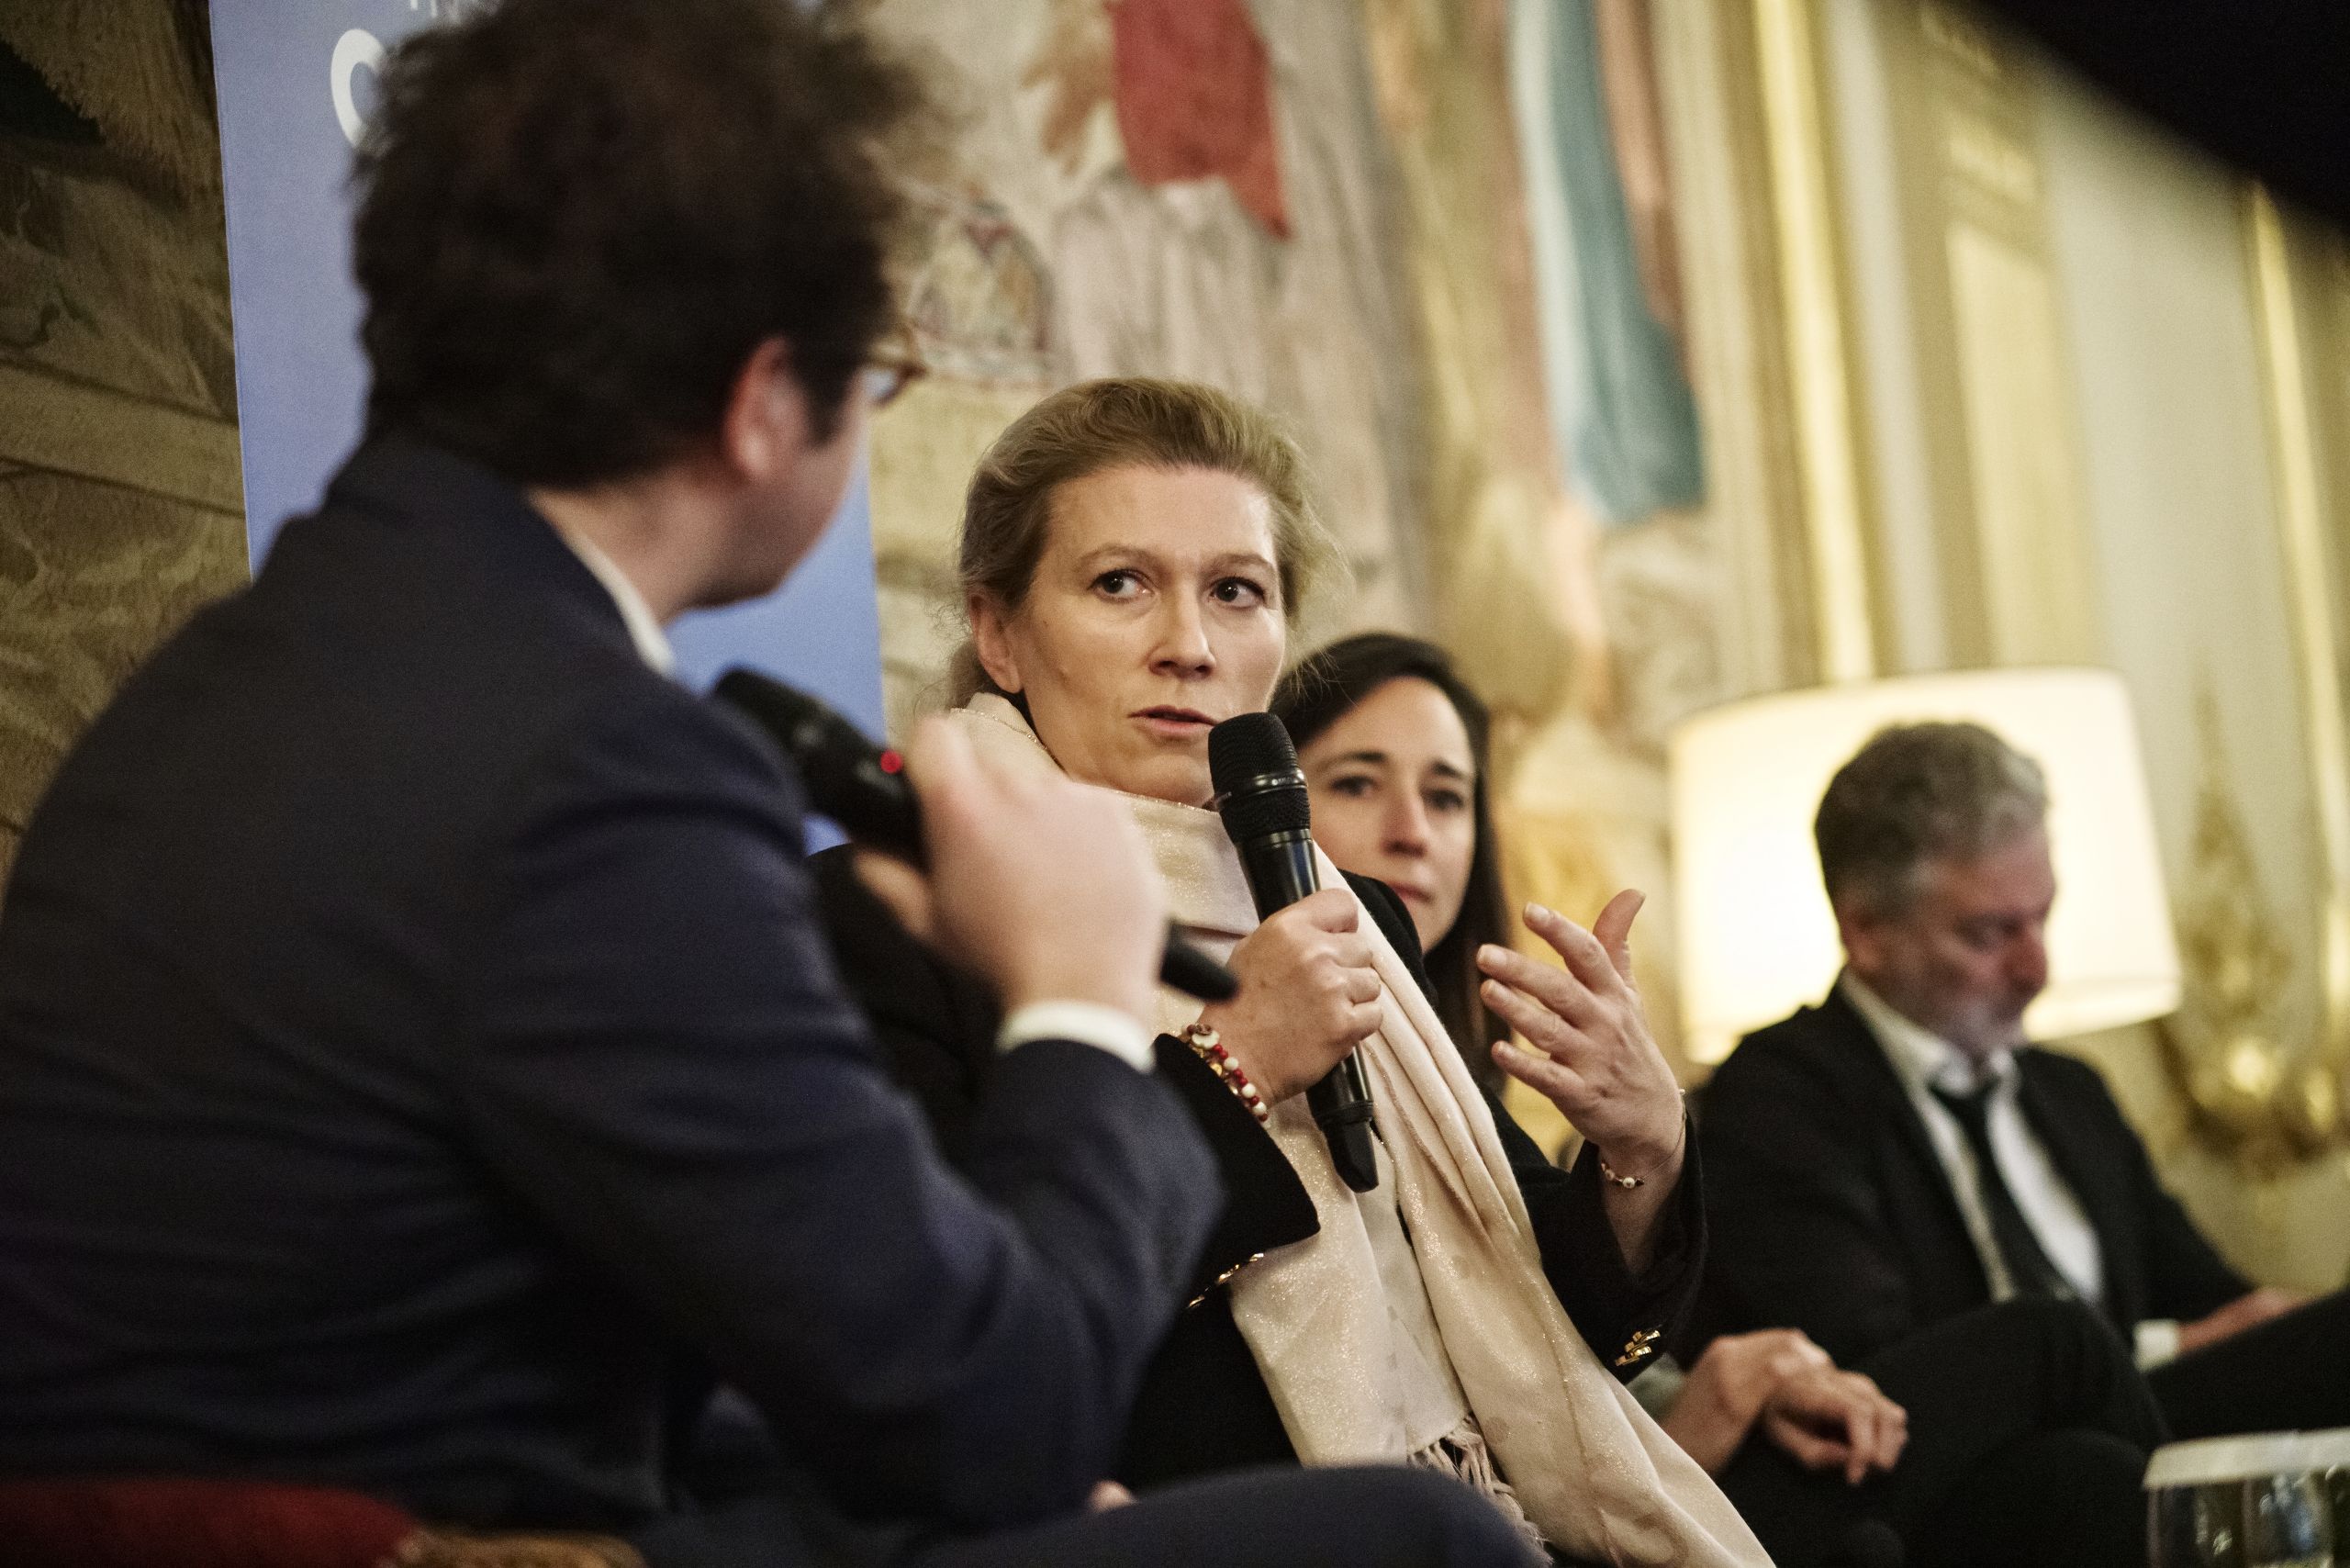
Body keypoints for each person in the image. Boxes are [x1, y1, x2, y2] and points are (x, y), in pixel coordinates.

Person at [0, 6, 1543, 1567]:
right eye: (874, 374)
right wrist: (1078, 1001)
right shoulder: (603, 768)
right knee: (1428, 1542)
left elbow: (635, 1321)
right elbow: (1001, 1411)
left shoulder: (232, 677)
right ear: (759, 403)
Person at [814, 377, 1771, 1567]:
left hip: (1493, 1512)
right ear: (999, 632)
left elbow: (1552, 1307)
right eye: (1121, 584)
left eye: (1236, 591)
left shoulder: (1340, 904)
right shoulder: (898, 909)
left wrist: (1640, 1149)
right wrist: (1235, 1064)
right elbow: (959, 1329)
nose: (1189, 645)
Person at [1275, 635, 2175, 1568]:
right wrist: (1696, 1405)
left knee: (2080, 1476)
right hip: (1542, 1515)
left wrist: (1647, 1150)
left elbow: (1574, 1328)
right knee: (2051, 1344)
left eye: (1448, 795)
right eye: (1355, 783)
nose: (1413, 829)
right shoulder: (1254, 1052)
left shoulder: (1455, 1079)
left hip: (1661, 1464)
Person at [1698, 720, 2350, 1447]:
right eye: (1988, 934)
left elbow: (2219, 1305)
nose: (2038, 971)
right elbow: (1880, 1365)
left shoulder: (2070, 1092)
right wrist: (2172, 1351)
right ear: (1867, 931)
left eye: (2043, 918)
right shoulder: (1778, 1098)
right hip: (1971, 1484)